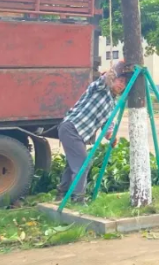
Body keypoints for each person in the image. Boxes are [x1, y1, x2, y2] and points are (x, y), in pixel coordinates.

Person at [56, 61, 133, 202]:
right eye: (120, 81)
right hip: (72, 127)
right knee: (83, 163)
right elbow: (107, 77)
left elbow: (108, 125)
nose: (121, 85)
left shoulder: (113, 103)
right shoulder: (100, 88)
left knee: (73, 164)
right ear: (113, 80)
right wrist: (121, 63)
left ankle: (62, 193)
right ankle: (78, 198)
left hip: (79, 134)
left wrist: (111, 136)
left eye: (124, 84)